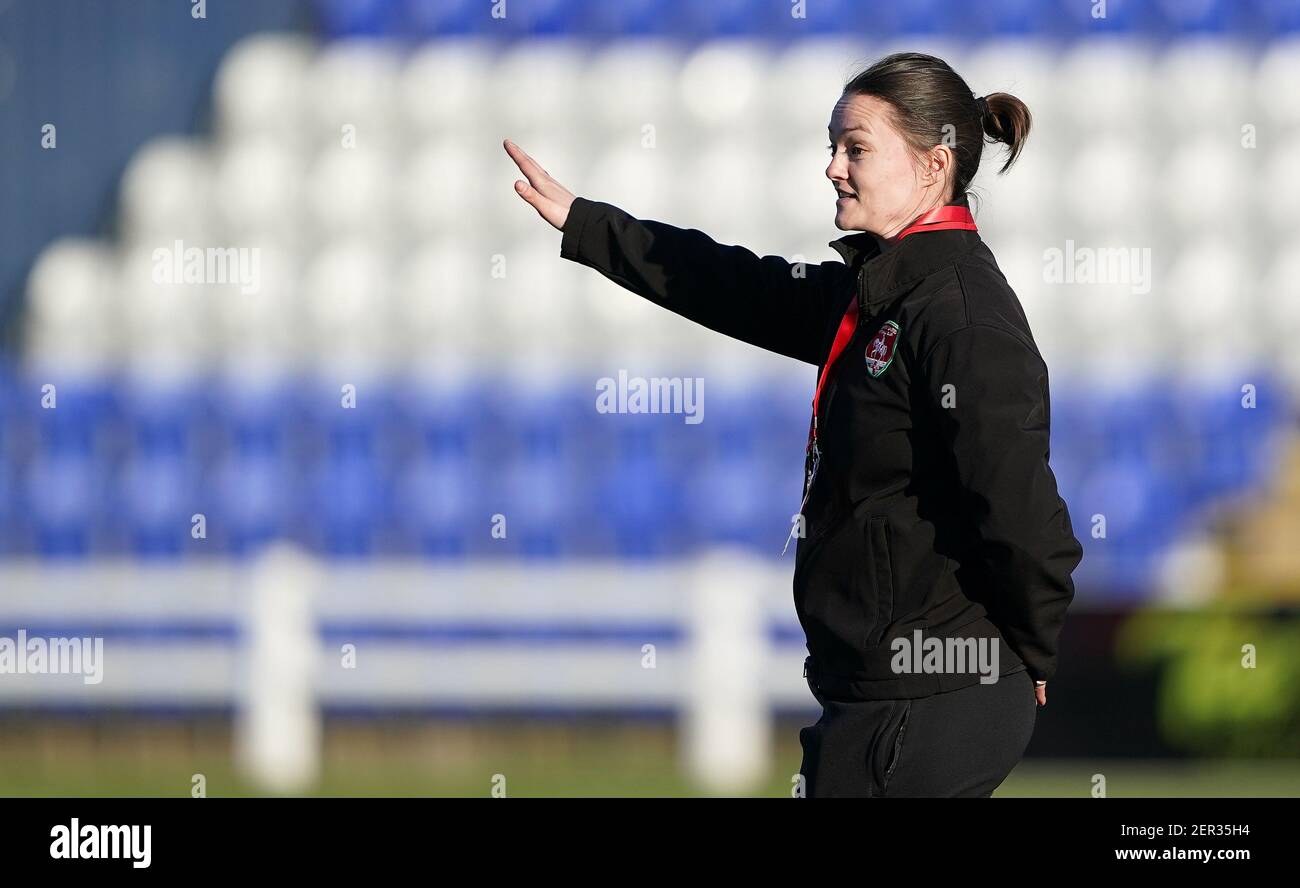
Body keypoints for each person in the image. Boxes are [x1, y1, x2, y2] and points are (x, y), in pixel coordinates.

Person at [504, 51, 1084, 798]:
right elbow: (736, 284)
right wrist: (591, 226)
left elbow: (1020, 510)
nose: (833, 167)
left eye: (856, 148)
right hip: (876, 698)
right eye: (833, 146)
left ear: (934, 165)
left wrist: (1034, 649)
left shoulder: (962, 317)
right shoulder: (877, 294)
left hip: (933, 700)